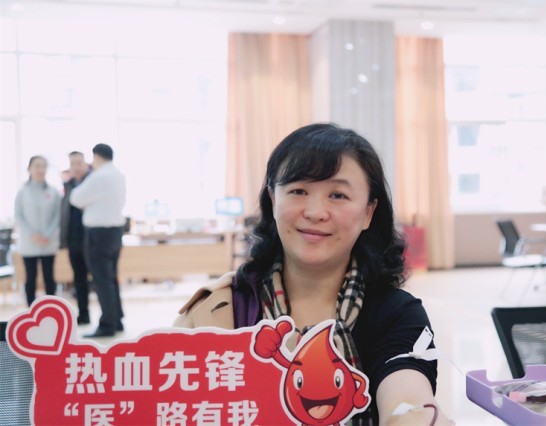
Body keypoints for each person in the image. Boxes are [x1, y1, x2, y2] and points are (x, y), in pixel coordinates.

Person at [174, 123, 452, 425]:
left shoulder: (396, 314)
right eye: (298, 191)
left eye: (338, 195)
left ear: (368, 212)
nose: (315, 212)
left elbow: (408, 401)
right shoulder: (218, 310)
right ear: (273, 200)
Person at [70, 144, 126, 338]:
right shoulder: (119, 175)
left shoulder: (98, 176)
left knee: (102, 280)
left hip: (98, 234)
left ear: (97, 156)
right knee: (111, 278)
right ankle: (117, 319)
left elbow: (76, 198)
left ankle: (107, 324)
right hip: (115, 232)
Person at [14, 156, 61, 306]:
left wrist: (48, 234)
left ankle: (51, 309)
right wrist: (32, 234)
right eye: (37, 166)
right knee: (30, 278)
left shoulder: (53, 192)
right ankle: (31, 310)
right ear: (29, 169)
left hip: (49, 242)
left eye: (43, 166)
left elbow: (58, 215)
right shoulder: (22, 192)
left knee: (49, 278)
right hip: (29, 243)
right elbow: (19, 216)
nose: (40, 170)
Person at [61, 151, 92, 325]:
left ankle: (109, 317)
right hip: (73, 239)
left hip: (91, 238)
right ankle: (84, 314)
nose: (76, 167)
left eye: (79, 163)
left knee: (99, 279)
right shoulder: (68, 185)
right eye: (73, 164)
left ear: (85, 163)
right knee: (79, 279)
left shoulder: (93, 182)